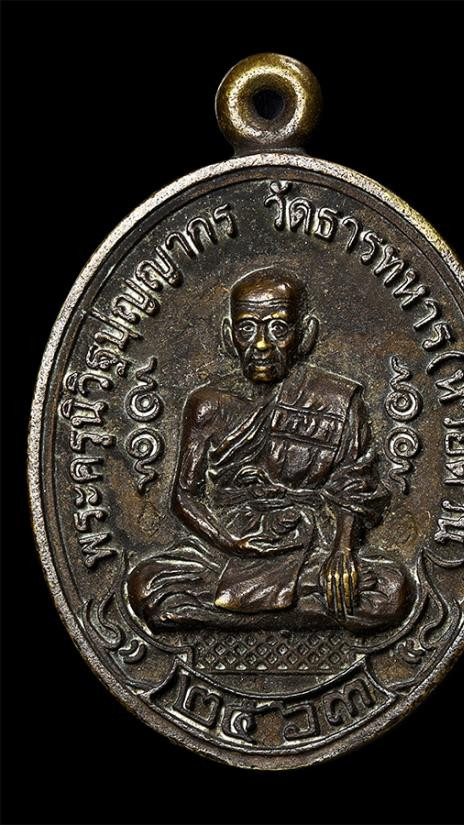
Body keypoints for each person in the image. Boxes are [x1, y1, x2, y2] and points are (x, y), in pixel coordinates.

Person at [127, 265, 413, 631]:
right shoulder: (208, 404)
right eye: (248, 329)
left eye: (278, 329)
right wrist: (230, 542)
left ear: (305, 335)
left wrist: (342, 551)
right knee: (147, 586)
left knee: (392, 590)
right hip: (229, 545)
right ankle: (296, 602)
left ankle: (236, 609)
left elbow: (353, 487)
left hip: (310, 543)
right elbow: (184, 496)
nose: (261, 345)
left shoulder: (338, 399)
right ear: (229, 335)